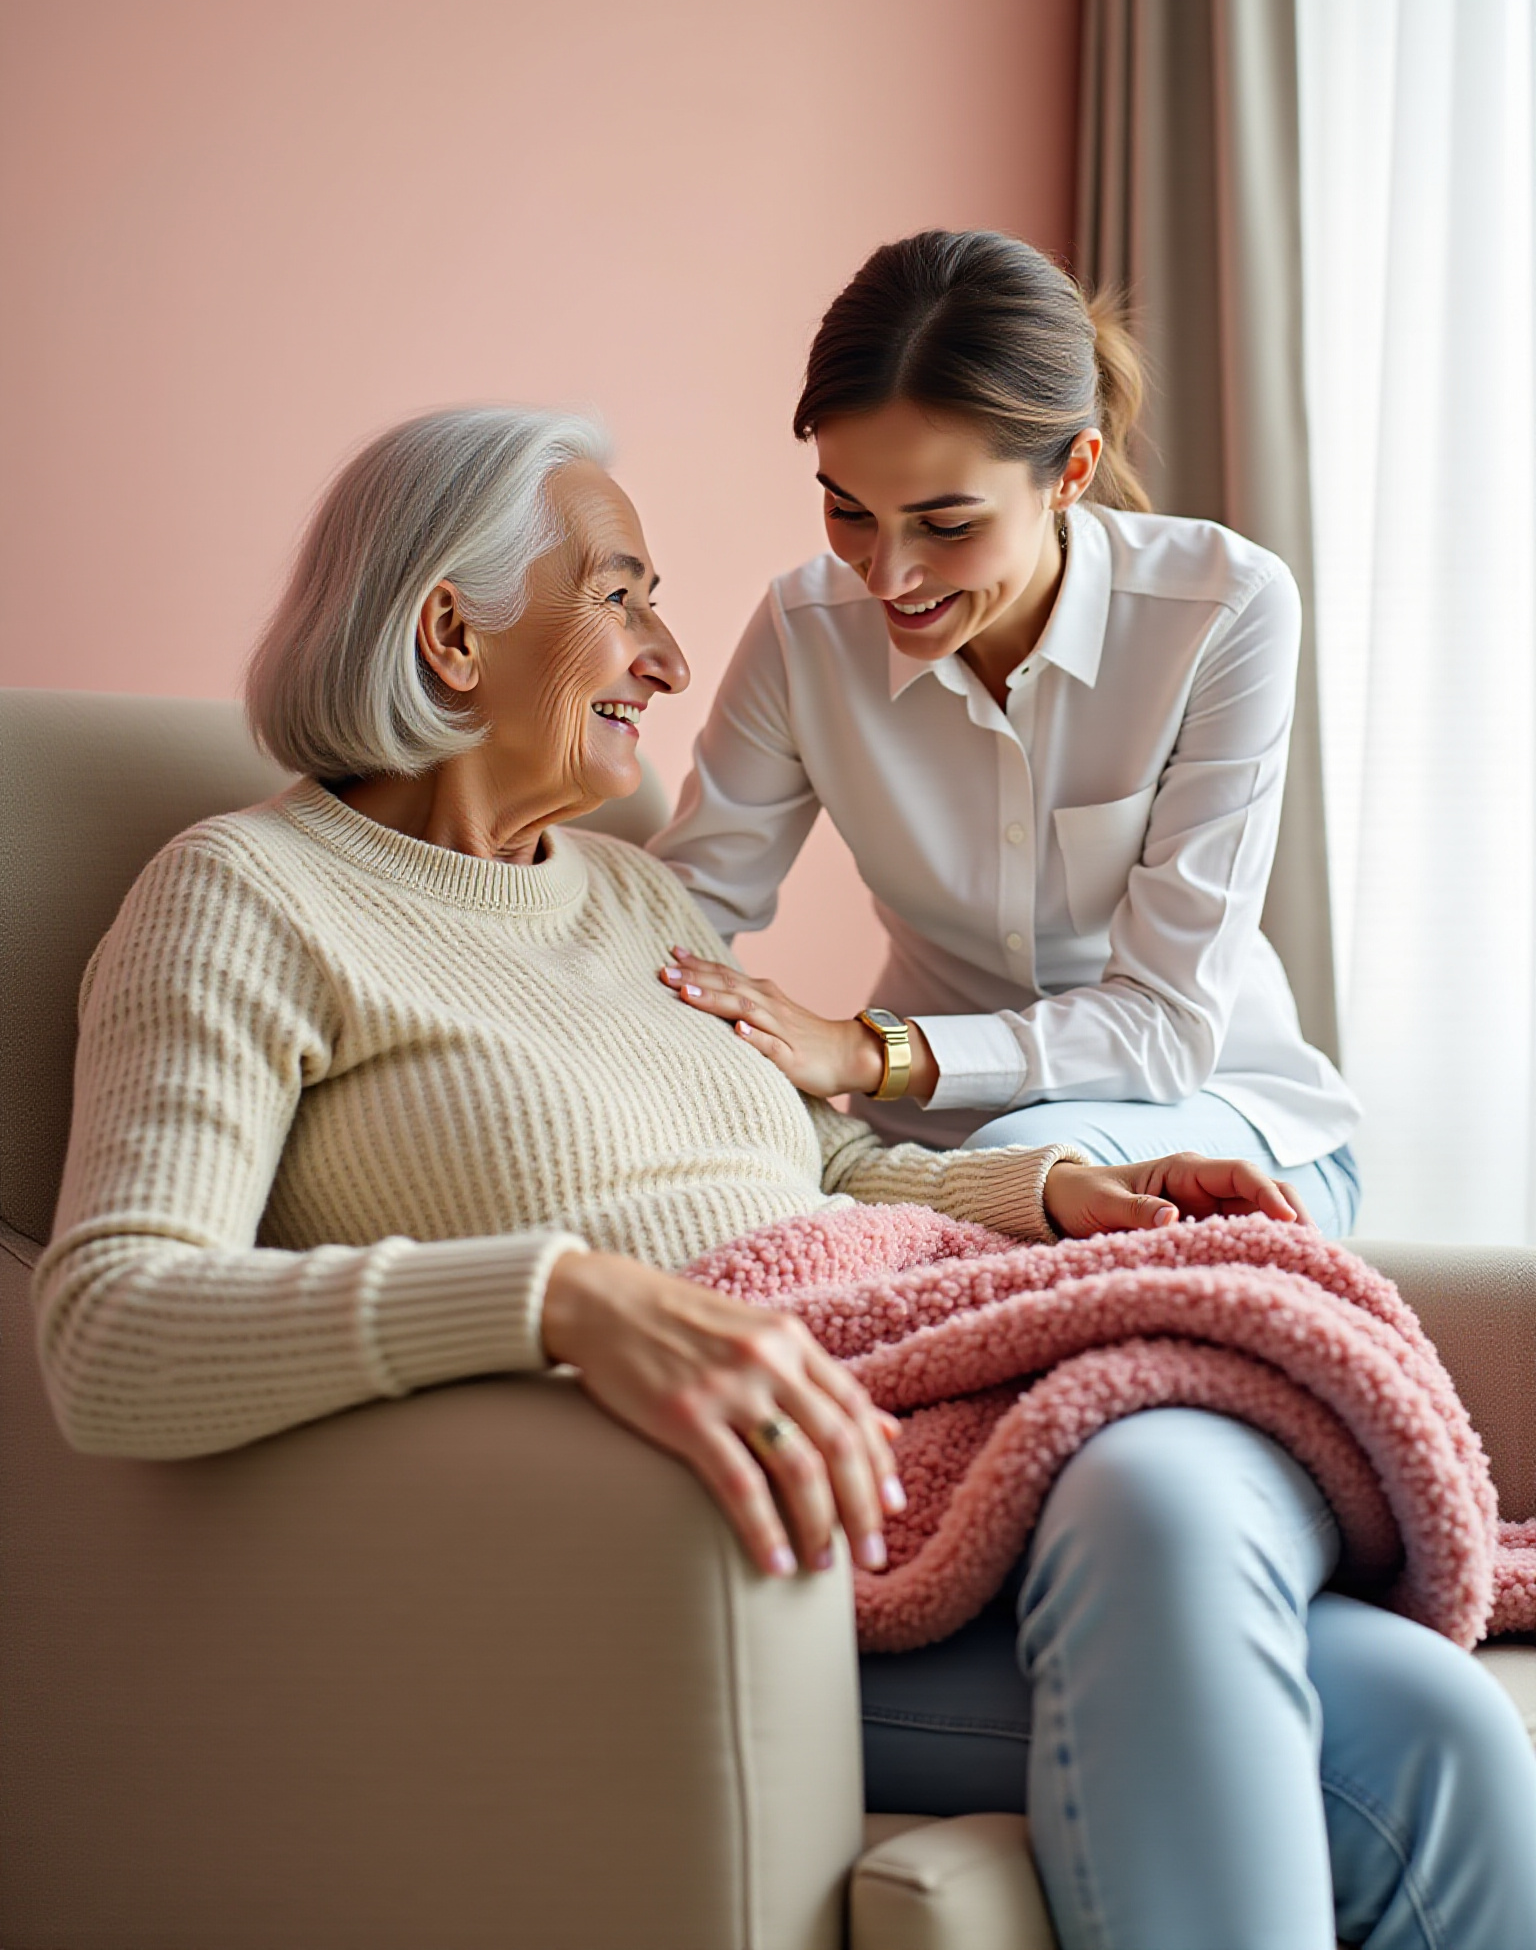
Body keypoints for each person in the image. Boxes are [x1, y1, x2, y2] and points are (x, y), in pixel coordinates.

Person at [35, 410, 1533, 1948]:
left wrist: (1055, 1197)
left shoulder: (633, 897)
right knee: (1154, 1509)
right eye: (621, 596)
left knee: (1444, 1727)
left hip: (886, 1415)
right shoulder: (245, 898)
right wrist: (559, 1302)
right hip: (704, 1536)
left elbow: (810, 1161)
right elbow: (111, 1327)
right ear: (451, 634)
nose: (670, 659)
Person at [650, 230, 1363, 1238]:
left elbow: (1165, 1025)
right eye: (848, 510)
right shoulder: (805, 630)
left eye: (945, 525)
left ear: (1072, 470)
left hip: (1218, 1117)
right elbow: (685, 909)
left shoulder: (1223, 608)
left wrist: (868, 1051)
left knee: (1010, 1186)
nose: (886, 576)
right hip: (920, 1151)